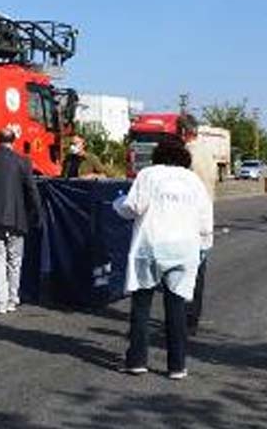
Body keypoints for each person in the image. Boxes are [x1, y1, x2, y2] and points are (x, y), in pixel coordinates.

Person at [114, 137, 213, 380]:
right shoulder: (194, 181)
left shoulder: (148, 175)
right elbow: (205, 221)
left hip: (150, 245)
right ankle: (177, 365)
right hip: (184, 249)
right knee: (176, 307)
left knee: (142, 304)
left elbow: (133, 207)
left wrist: (117, 204)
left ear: (158, 154)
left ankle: (137, 360)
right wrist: (203, 248)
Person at [0, 126, 43, 314]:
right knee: (15, 260)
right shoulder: (23, 161)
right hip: (17, 219)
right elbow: (32, 191)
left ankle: (0, 302)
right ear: (13, 141)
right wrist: (37, 213)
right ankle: (13, 299)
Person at [179, 114, 215, 336]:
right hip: (205, 214)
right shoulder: (206, 152)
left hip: (187, 216)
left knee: (183, 271)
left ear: (183, 132)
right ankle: (192, 317)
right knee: (199, 270)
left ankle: (181, 318)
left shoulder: (187, 154)